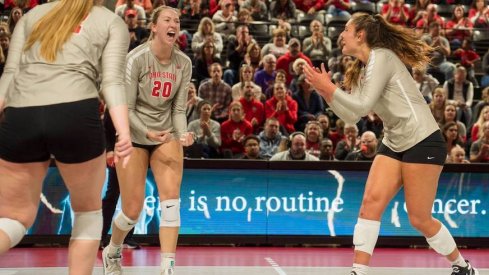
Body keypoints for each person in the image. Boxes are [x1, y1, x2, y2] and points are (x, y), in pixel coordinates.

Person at [304, 12, 478, 275]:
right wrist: (325, 92)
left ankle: (462, 266)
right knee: (370, 204)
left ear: (360, 35)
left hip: (422, 141)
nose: (341, 35)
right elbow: (352, 115)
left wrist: (329, 88)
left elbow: (361, 106)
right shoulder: (363, 71)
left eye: (347, 30)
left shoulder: (382, 57)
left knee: (419, 218)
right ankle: (358, 271)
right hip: (395, 141)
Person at [0, 1, 132, 274]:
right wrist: (123, 132)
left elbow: (10, 76)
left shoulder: (32, 15)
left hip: (21, 113)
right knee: (88, 212)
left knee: (14, 217)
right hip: (75, 111)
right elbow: (112, 82)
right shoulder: (109, 21)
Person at [102, 6, 194, 275]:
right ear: (154, 26)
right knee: (132, 210)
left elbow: (178, 110)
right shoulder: (136, 59)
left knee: (171, 202)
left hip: (165, 133)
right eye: (167, 19)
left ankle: (168, 268)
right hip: (133, 134)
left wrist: (183, 133)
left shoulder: (184, 63)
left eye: (176, 20)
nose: (173, 23)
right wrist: (146, 132)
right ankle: (112, 250)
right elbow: (125, 108)